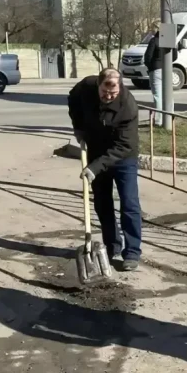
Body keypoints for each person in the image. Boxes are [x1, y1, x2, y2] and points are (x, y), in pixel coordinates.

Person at [68, 67, 142, 272]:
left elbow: (124, 146)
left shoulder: (128, 107)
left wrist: (94, 167)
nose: (108, 96)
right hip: (95, 150)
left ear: (120, 87)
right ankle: (112, 247)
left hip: (122, 157)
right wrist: (79, 127)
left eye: (113, 93)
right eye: (104, 92)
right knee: (102, 203)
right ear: (98, 85)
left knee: (129, 203)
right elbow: (73, 99)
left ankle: (132, 252)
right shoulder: (86, 87)